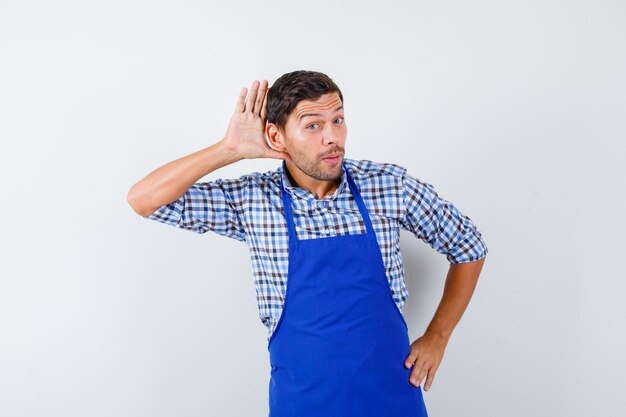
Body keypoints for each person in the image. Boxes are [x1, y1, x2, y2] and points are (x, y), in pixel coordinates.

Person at [127, 70, 487, 417]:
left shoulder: (388, 186)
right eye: (313, 125)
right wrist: (229, 149)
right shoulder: (253, 200)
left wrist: (438, 336)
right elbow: (144, 200)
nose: (332, 137)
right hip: (302, 404)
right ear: (277, 135)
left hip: (391, 399)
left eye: (338, 120)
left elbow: (468, 246)